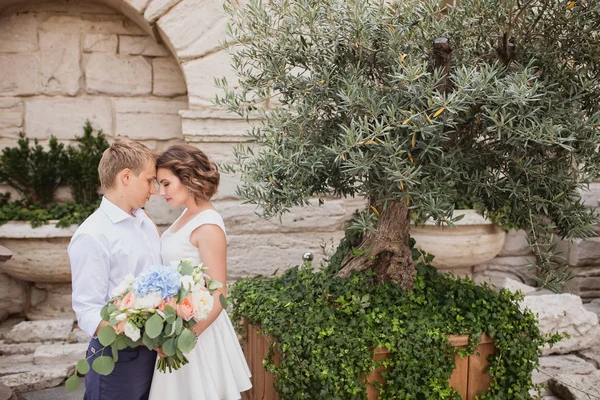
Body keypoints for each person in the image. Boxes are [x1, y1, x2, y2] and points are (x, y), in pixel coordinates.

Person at [149, 144, 252, 400]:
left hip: (197, 332)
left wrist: (184, 339)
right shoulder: (187, 215)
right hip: (178, 323)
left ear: (188, 178)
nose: (161, 192)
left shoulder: (208, 226)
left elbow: (220, 294)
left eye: (166, 184)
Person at [69, 140, 161, 400]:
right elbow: (87, 310)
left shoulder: (144, 221)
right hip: (118, 359)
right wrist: (141, 337)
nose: (153, 190)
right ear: (127, 177)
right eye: (149, 180)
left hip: (155, 354)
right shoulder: (92, 235)